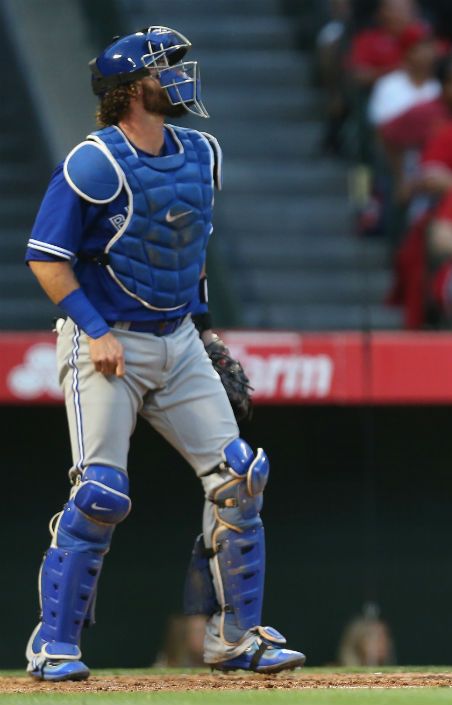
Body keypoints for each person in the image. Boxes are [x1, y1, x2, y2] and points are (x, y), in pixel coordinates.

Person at [22, 27, 304, 681]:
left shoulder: (201, 154)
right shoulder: (95, 161)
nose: (181, 74)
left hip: (176, 336)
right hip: (106, 339)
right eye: (166, 67)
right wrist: (94, 329)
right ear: (129, 90)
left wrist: (204, 331)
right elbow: (46, 259)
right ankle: (54, 643)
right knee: (99, 492)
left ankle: (236, 636)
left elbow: (186, 251)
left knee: (239, 476)